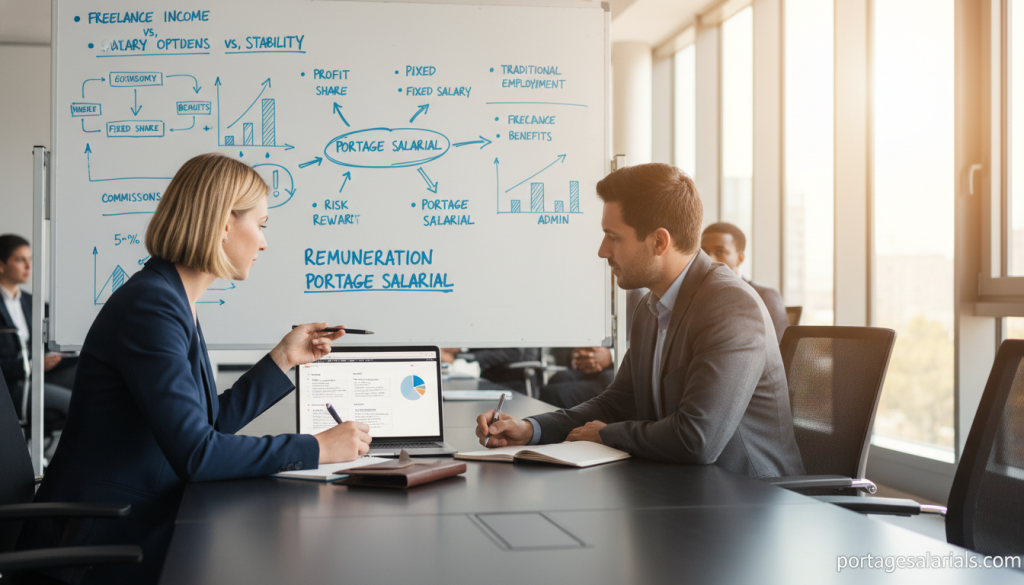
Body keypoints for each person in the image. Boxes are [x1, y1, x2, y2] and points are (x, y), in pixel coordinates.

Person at [19, 153, 373, 584]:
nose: (263, 242)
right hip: (104, 540)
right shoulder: (153, 305)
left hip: (137, 518)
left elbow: (208, 424)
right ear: (225, 223)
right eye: (260, 225)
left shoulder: (168, 295)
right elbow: (198, 454)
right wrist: (317, 448)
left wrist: (284, 358)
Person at [475, 163, 804, 478]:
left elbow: (698, 438)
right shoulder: (652, 306)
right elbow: (619, 401)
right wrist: (532, 429)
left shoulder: (730, 306)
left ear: (659, 242)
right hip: (683, 488)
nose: (602, 251)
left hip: (748, 503)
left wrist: (607, 436)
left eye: (613, 237)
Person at [0, 234, 75, 430]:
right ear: (1, 265)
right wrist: (34, 365)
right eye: (20, 259)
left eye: (30, 259)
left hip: (42, 376)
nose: (28, 266)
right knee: (76, 404)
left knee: (90, 376)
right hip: (14, 385)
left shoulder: (33, 303)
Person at [700, 222, 789, 342]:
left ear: (740, 259)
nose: (709, 259)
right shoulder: (695, 294)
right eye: (703, 252)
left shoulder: (765, 296)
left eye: (719, 252)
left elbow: (782, 350)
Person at [538, 347, 615, 408]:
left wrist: (610, 355)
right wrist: (579, 358)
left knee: (552, 394)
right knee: (559, 377)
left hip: (614, 373)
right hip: (596, 370)